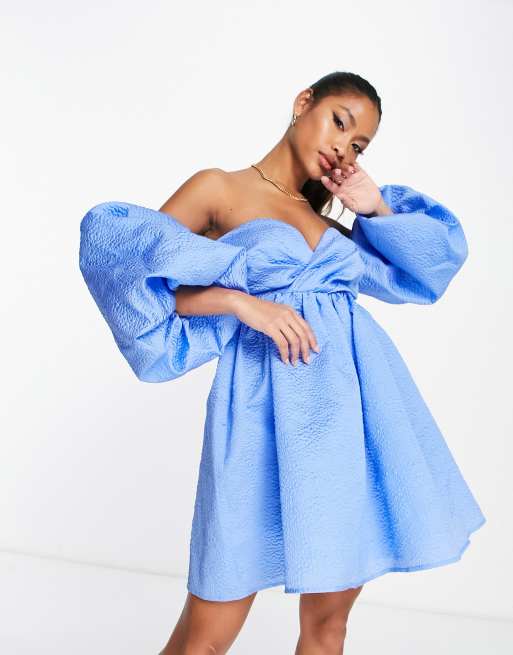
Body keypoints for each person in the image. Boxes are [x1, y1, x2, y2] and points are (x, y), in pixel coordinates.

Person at [79, 71, 486, 654]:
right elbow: (132, 268)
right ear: (303, 103)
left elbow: (428, 270)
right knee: (206, 634)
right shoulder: (220, 188)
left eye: (358, 145)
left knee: (328, 629)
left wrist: (375, 207)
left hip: (350, 416)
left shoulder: (337, 219)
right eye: (339, 122)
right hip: (258, 411)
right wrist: (240, 302)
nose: (343, 147)